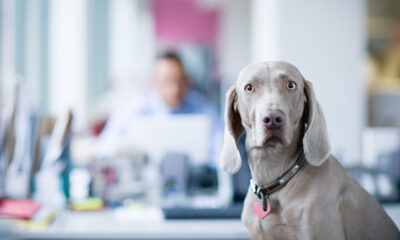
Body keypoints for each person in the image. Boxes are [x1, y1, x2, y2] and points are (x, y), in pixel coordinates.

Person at [97, 51, 222, 164]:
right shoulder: (134, 108)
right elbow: (104, 147)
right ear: (154, 82)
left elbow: (221, 150)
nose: (175, 89)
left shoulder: (204, 109)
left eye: (179, 81)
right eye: (167, 81)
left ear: (187, 80)